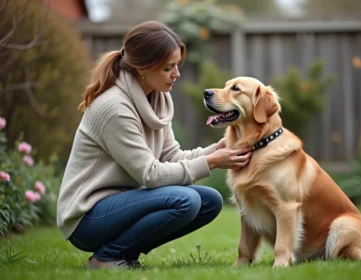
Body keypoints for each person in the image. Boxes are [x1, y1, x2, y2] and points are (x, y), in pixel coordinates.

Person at [56, 21, 252, 270]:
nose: (177, 74)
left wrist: (217, 148)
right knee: (186, 201)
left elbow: (171, 156)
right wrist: (212, 162)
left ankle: (122, 255)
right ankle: (106, 258)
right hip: (88, 217)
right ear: (142, 69)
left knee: (209, 201)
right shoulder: (114, 108)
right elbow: (150, 174)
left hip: (124, 204)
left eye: (177, 66)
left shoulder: (157, 98)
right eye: (169, 68)